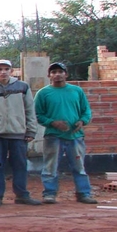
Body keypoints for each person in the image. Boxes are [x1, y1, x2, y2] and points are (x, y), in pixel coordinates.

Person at [0, 60, 41, 207]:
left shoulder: (22, 87)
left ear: (12, 71)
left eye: (6, 69)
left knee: (20, 165)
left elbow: (30, 109)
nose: (3, 72)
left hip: (18, 133)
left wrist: (31, 129)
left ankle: (22, 194)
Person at [34, 62, 97, 204]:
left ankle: (83, 193)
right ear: (49, 75)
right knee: (50, 166)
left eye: (60, 72)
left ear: (66, 74)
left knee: (79, 166)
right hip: (53, 136)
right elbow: (37, 114)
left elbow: (86, 111)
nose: (57, 74)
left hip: (75, 136)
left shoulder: (76, 91)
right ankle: (49, 193)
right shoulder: (43, 93)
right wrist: (52, 122)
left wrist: (82, 122)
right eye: (54, 72)